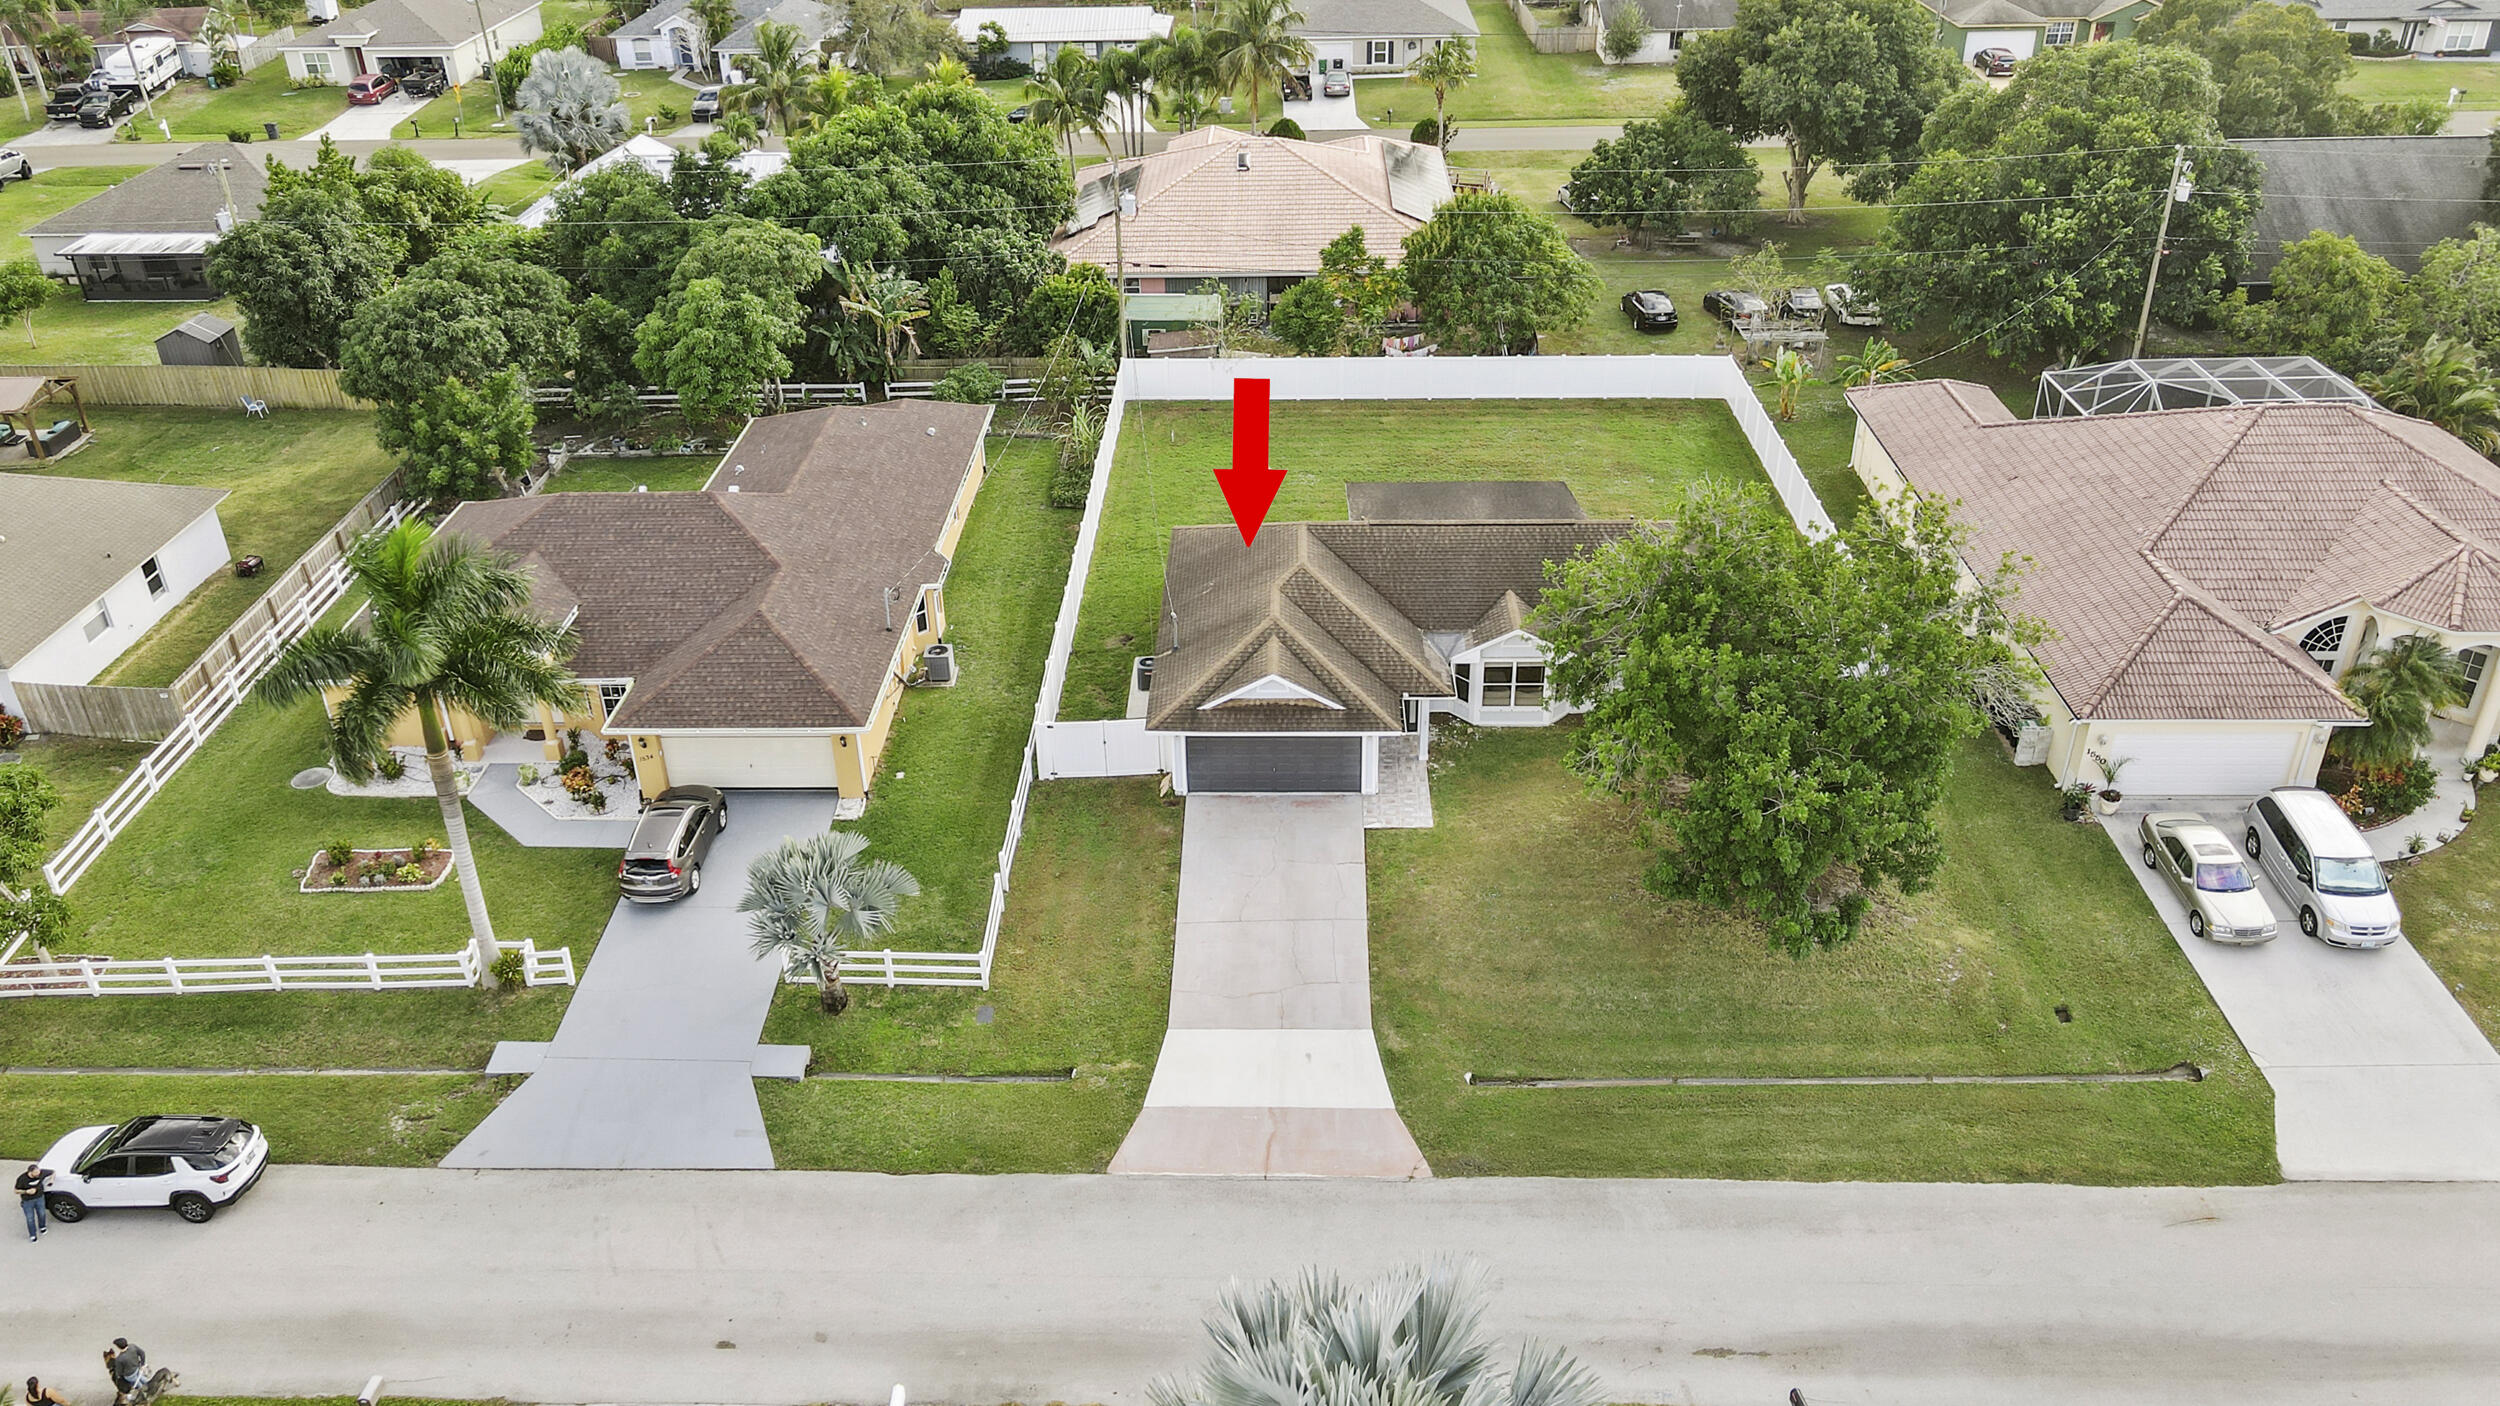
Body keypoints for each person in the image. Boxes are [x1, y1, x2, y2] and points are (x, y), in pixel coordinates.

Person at [15, 1163, 46, 1242]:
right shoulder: (22, 1179)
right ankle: (33, 1235)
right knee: (30, 1218)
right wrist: (26, 1191)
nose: (38, 1175)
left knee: (42, 1213)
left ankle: (42, 1227)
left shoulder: (40, 1173)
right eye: (36, 1174)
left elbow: (52, 1172)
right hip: (28, 1201)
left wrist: (52, 1179)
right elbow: (16, 1191)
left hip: (39, 1198)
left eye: (38, 1173)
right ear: (30, 1172)